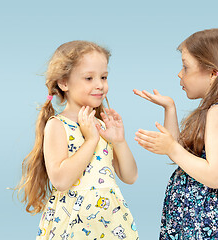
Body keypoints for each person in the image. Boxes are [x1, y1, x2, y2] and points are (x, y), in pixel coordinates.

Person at [16, 41, 139, 239]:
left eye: (104, 77)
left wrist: (119, 141)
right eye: (89, 78)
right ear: (64, 83)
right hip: (72, 225)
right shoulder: (57, 125)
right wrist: (90, 141)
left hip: (110, 223)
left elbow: (130, 176)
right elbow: (61, 180)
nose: (100, 84)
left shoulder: (102, 125)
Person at [134, 28, 218, 239]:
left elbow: (216, 176)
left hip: (205, 222)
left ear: (213, 74)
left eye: (185, 67)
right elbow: (187, 157)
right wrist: (170, 108)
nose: (180, 74)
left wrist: (171, 148)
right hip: (196, 218)